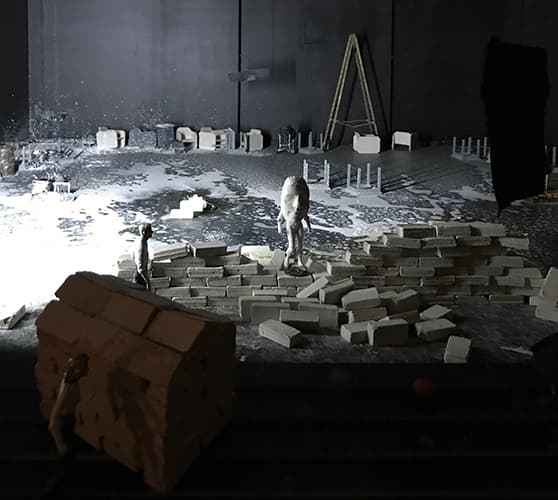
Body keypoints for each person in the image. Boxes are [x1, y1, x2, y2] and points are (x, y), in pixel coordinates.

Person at [133, 222, 153, 291]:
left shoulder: (139, 241)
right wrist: (148, 282)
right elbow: (140, 268)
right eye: (150, 231)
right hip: (140, 278)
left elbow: (133, 256)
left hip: (138, 275)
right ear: (144, 232)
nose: (152, 233)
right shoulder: (141, 246)